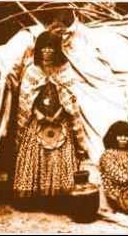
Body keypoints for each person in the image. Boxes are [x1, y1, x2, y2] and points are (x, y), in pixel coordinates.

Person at [11, 30, 89, 202]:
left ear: (56, 50)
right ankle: (37, 198)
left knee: (58, 157)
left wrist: (59, 114)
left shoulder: (64, 70)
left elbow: (69, 98)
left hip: (60, 120)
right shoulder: (32, 71)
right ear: (39, 50)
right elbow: (25, 99)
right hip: (37, 121)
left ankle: (57, 199)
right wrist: (39, 115)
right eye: (44, 48)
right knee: (34, 156)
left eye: (51, 48)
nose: (47, 51)